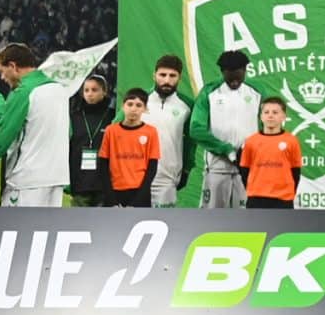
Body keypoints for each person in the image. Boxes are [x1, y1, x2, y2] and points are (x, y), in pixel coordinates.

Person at [0, 43, 78, 209]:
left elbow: (5, 135)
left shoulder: (23, 91)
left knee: (17, 230)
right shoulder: (59, 90)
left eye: (1, 71)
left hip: (26, 180)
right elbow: (68, 132)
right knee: (45, 231)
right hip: (56, 178)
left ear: (13, 66)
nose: (2, 78)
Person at [189, 48, 262, 209]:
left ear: (245, 71)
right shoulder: (209, 92)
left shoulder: (257, 92)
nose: (234, 82)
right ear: (222, 72)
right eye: (230, 78)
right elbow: (196, 129)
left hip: (249, 169)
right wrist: (225, 149)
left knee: (248, 220)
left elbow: (267, 127)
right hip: (216, 169)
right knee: (211, 220)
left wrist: (249, 151)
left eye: (238, 77)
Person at [142, 54, 192, 210]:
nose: (167, 80)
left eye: (172, 76)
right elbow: (117, 130)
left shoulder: (187, 105)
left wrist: (187, 169)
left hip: (167, 180)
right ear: (154, 75)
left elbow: (191, 142)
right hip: (136, 178)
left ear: (179, 77)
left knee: (164, 226)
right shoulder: (138, 100)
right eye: (162, 75)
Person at [97, 88, 161, 206]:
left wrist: (139, 199)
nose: (133, 109)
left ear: (145, 109)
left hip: (139, 193)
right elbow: (103, 165)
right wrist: (110, 198)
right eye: (130, 104)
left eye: (138, 105)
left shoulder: (151, 132)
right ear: (123, 106)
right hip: (115, 191)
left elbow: (152, 168)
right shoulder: (111, 131)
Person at [239, 99, 304, 208]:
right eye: (266, 112)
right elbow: (244, 170)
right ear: (261, 116)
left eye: (275, 112)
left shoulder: (291, 141)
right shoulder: (251, 141)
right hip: (256, 198)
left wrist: (287, 192)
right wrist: (254, 190)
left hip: (283, 199)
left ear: (283, 116)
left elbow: (295, 172)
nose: (270, 116)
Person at [67, 74, 116, 206]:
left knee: (103, 223)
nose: (90, 94)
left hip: (104, 182)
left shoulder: (112, 117)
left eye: (94, 90)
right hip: (79, 181)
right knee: (78, 223)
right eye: (86, 90)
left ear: (104, 92)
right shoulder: (74, 117)